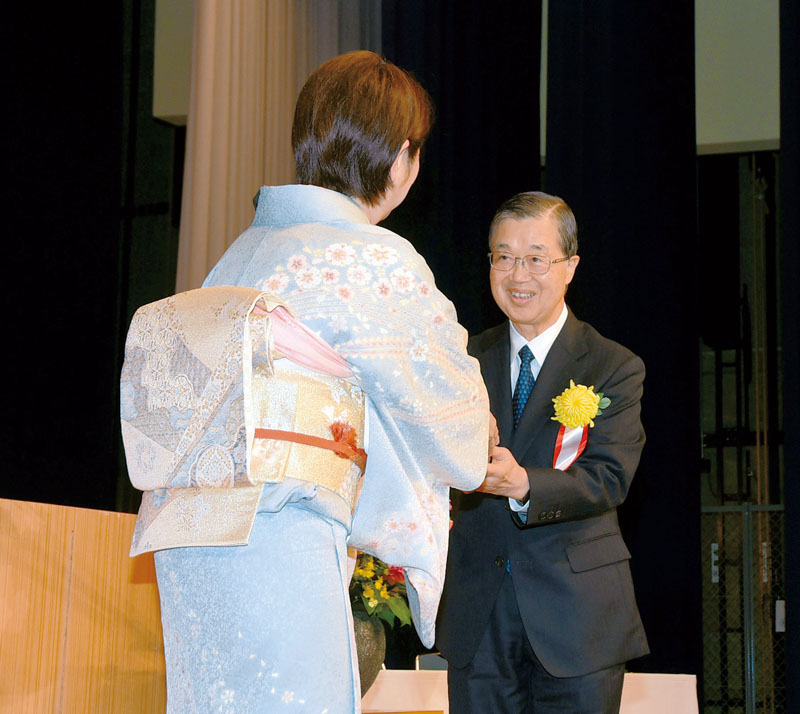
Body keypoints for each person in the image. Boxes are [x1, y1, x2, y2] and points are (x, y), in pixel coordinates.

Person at [120, 51, 490, 713]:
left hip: (189, 542)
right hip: (277, 535)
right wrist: (479, 425)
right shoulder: (372, 258)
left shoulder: (242, 252)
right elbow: (452, 424)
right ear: (402, 157)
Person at [436, 191, 649, 714]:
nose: (517, 274)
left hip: (576, 618)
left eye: (536, 257)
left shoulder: (612, 365)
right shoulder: (459, 361)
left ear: (570, 266)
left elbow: (609, 477)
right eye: (503, 256)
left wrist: (523, 484)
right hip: (477, 615)